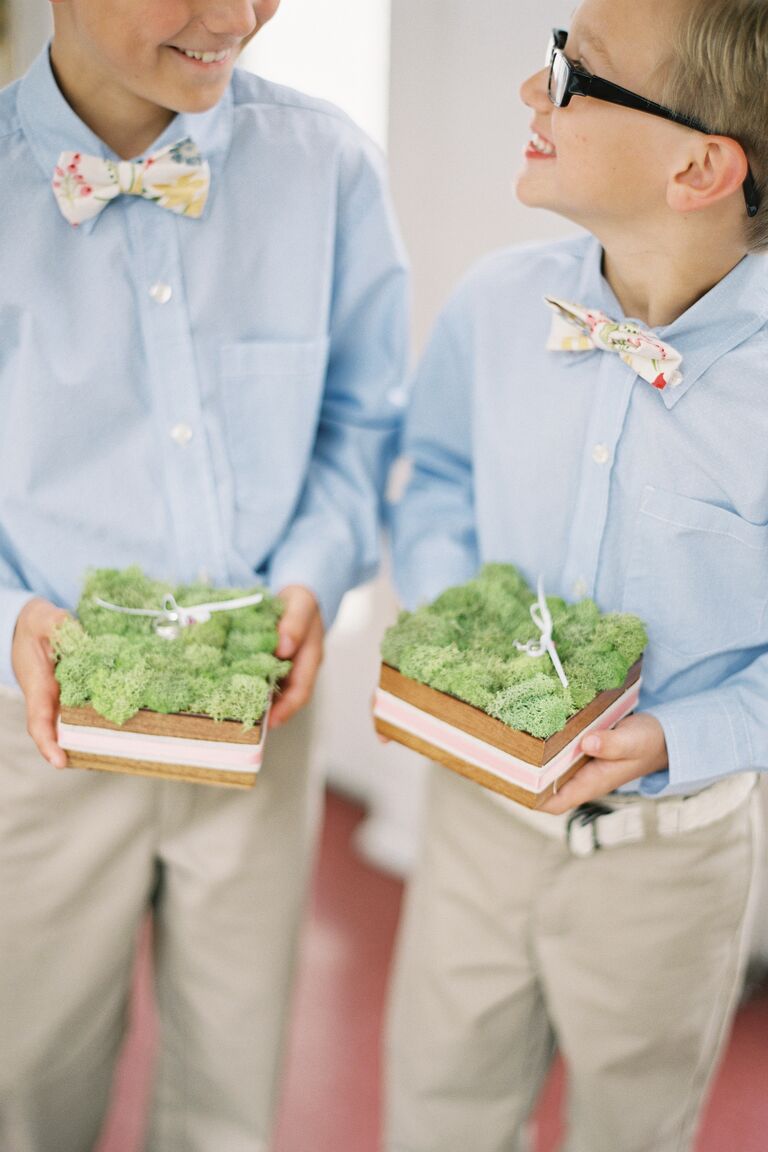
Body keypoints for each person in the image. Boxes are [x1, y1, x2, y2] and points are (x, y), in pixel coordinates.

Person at [0, 2, 408, 1149]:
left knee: (233, 1092)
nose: (237, 16)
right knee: (24, 1090)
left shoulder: (327, 170)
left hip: (259, 732)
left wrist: (317, 575)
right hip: (33, 744)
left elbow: (361, 421)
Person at [385, 1, 767, 1149]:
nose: (530, 91)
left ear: (700, 164)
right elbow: (438, 475)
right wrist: (463, 623)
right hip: (475, 821)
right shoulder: (501, 304)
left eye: (574, 72)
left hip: (670, 860)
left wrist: (680, 736)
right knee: (437, 1108)